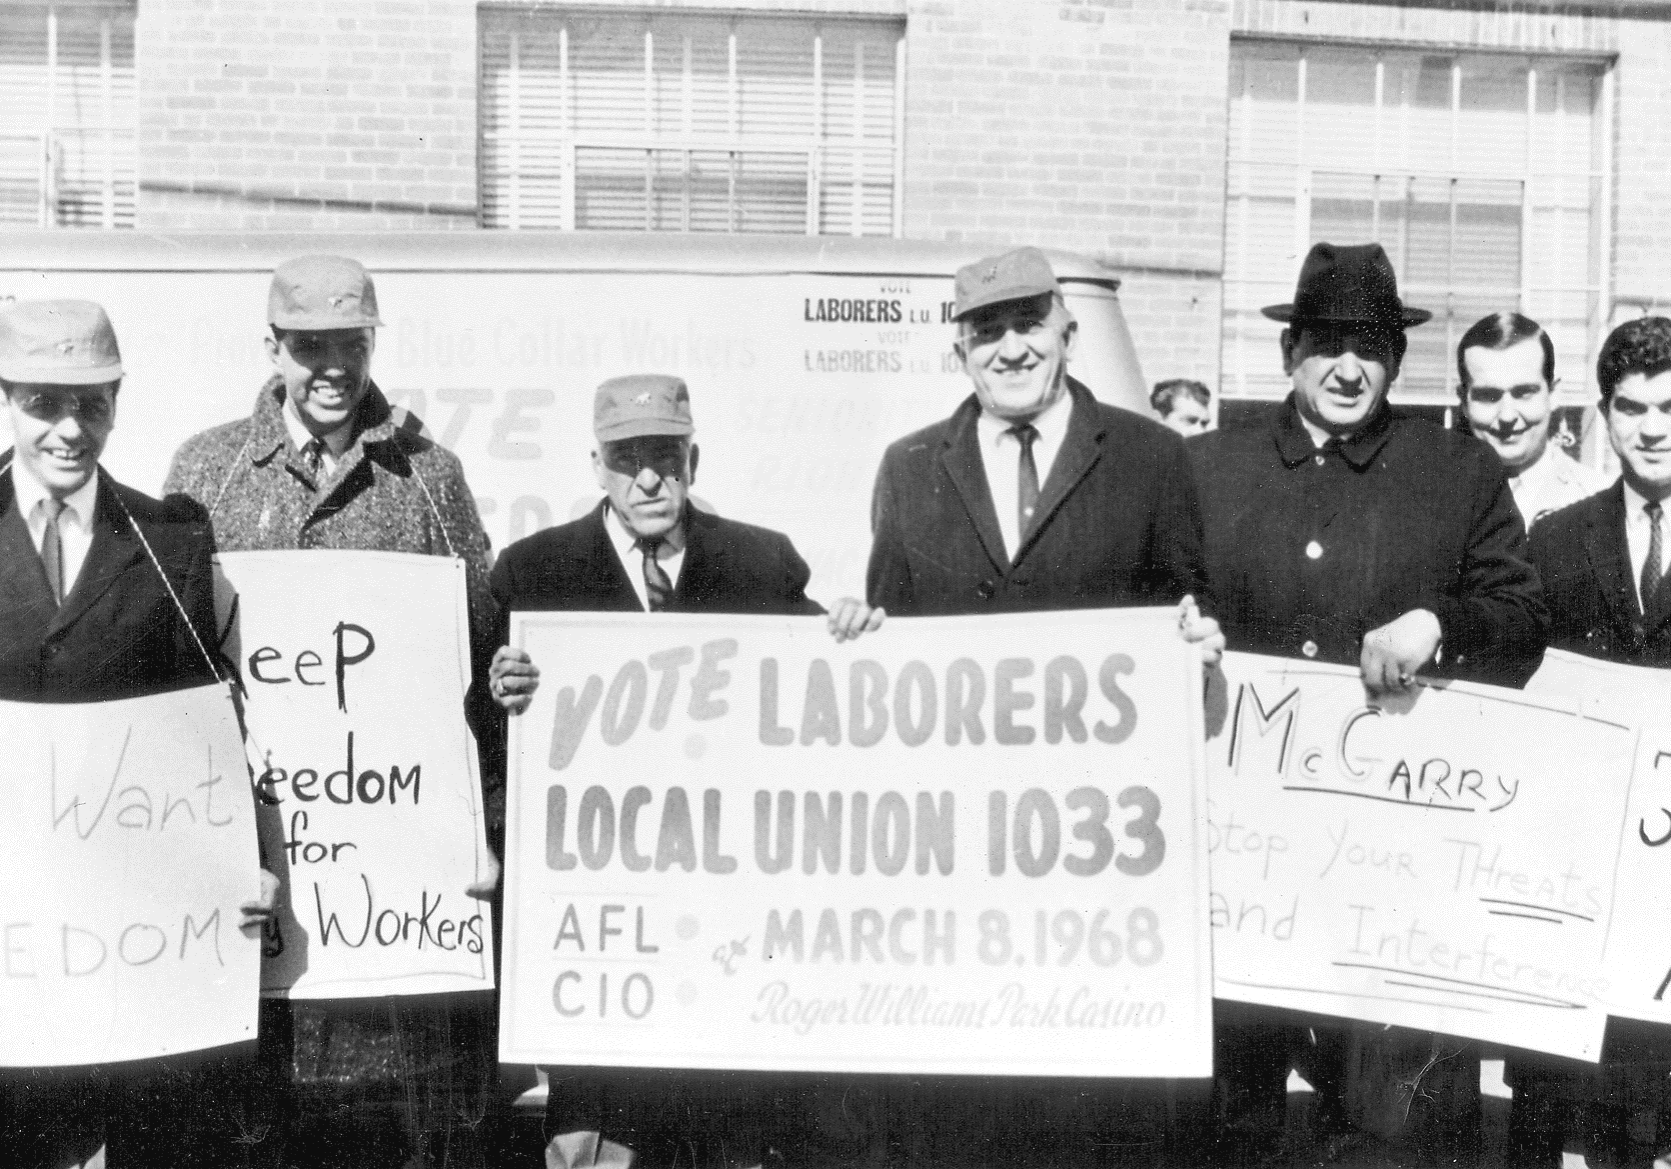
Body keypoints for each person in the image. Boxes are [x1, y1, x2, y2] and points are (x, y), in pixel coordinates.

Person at [1188, 242, 1548, 1164]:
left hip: (1392, 882)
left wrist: (1440, 621)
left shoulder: (1456, 472)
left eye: (1373, 345)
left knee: (1397, 1139)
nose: (1349, 367)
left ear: (1395, 358)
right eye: (1326, 343)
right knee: (1233, 1127)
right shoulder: (1204, 470)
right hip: (1240, 879)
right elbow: (1145, 602)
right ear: (1288, 352)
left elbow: (1521, 618)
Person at [863, 245, 1223, 1166]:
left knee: (1091, 1121)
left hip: (1099, 865)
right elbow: (887, 650)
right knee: (964, 1118)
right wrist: (859, 637)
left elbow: (1187, 619)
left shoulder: (1150, 458)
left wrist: (1194, 649)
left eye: (1027, 323)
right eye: (986, 331)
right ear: (959, 351)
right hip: (959, 867)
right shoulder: (908, 469)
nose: (1010, 348)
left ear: (1065, 328)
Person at [487, 372, 881, 1169]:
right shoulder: (534, 571)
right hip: (605, 940)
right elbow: (486, 734)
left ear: (692, 459)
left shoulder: (760, 563)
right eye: (626, 459)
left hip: (721, 934)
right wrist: (500, 692)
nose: (648, 479)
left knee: (725, 1135)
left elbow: (823, 691)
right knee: (600, 1141)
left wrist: (854, 632)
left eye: (664, 457)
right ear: (596, 466)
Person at [163, 255, 501, 1169]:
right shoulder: (208, 471)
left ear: (370, 345)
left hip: (394, 935)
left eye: (348, 345)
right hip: (259, 902)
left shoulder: (430, 476)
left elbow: (479, 666)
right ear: (273, 347)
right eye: (308, 346)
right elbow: (176, 669)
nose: (330, 368)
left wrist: (483, 830)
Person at [0, 298, 273, 1168]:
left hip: (125, 943)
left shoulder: (170, 540)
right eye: (45, 402)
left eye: (94, 404)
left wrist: (245, 855)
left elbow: (209, 727)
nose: (70, 430)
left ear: (119, 401)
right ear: (6, 397)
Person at [1514, 316, 1671, 1168]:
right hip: (1589, 882)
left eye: (1670, 406)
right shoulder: (1557, 538)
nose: (1652, 426)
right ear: (1603, 416)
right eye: (1631, 406)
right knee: (1585, 1117)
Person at [1456, 311, 1610, 528]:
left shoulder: (1600, 500)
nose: (1507, 416)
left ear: (1553, 394)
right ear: (1464, 401)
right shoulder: (1432, 498)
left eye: (1523, 393)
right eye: (1489, 396)